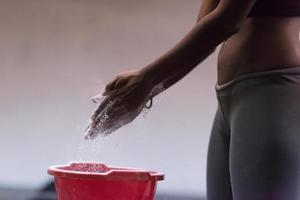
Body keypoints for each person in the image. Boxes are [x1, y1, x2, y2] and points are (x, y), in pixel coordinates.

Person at [97, 0, 300, 199]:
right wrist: (143, 92)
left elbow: (227, 21)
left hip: (270, 94)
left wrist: (146, 80)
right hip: (229, 100)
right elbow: (206, 26)